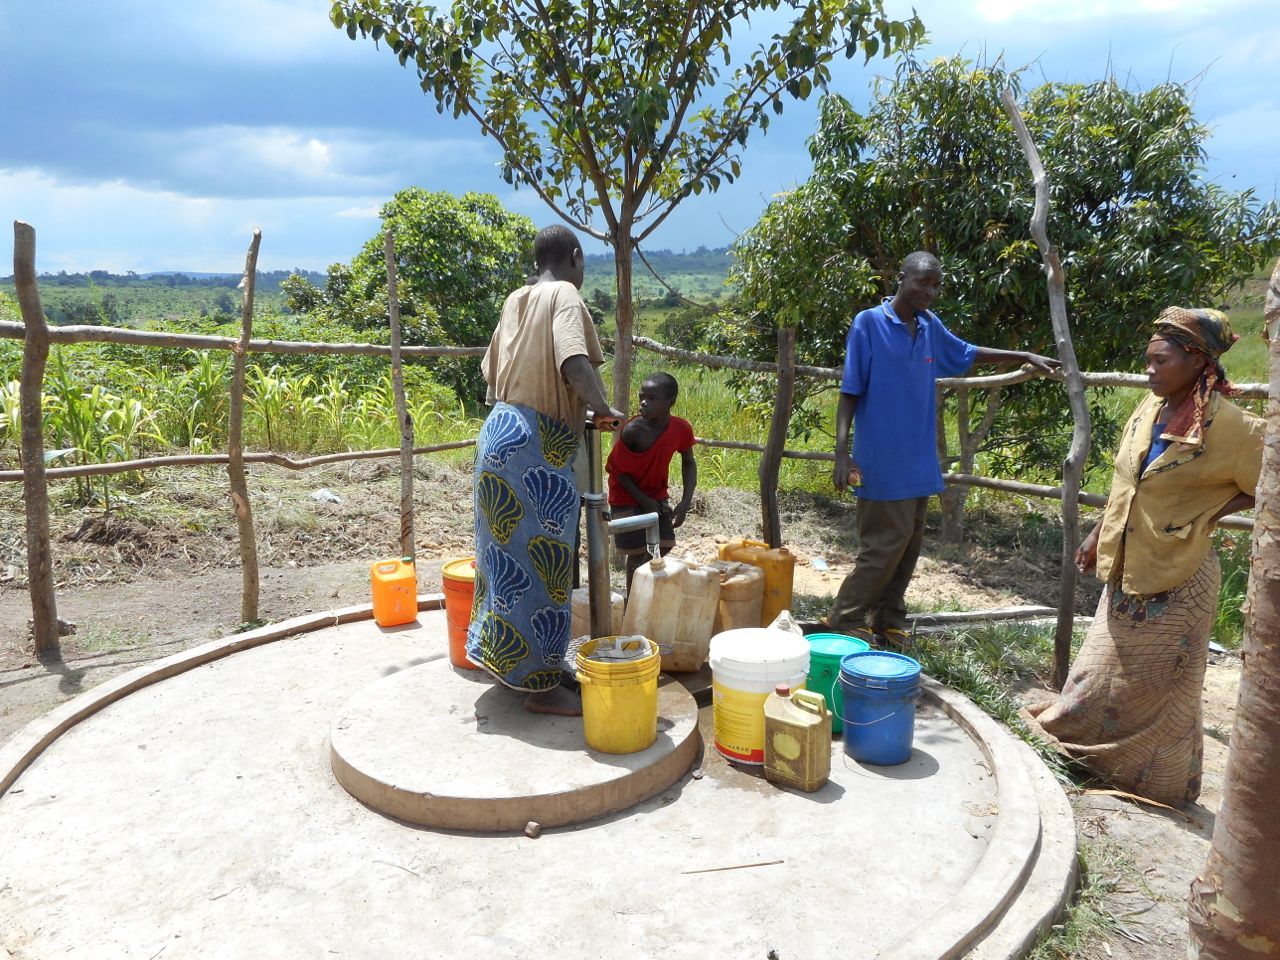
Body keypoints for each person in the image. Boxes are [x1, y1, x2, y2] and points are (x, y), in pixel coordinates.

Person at [1024, 307, 1262, 805]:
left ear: (1198, 361)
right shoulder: (1148, 410)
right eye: (1148, 361)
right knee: (1096, 678)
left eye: (1161, 361)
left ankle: (1156, 782)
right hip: (1130, 566)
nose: (1149, 371)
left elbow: (1268, 485)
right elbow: (1125, 484)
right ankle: (1091, 755)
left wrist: (1209, 509)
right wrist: (1096, 536)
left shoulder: (1231, 427)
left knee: (1162, 693)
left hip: (1180, 579)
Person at [827, 251, 1060, 646]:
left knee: (909, 547)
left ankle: (889, 619)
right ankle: (844, 618)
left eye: (936, 285)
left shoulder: (929, 326)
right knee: (883, 545)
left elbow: (968, 353)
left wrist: (1023, 356)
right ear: (901, 278)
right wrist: (841, 451)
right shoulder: (869, 323)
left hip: (919, 462)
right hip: (882, 458)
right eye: (923, 282)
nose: (930, 292)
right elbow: (850, 392)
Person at [466, 225, 625, 716]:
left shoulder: (516, 298)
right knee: (544, 567)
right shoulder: (564, 296)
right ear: (574, 257)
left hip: (497, 432)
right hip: (538, 441)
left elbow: (491, 375)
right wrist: (604, 410)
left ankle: (505, 664)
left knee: (501, 562)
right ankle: (542, 690)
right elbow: (574, 363)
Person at [606, 372, 698, 591]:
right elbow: (616, 470)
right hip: (626, 495)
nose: (643, 403)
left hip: (655, 495)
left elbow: (689, 462)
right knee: (638, 553)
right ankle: (632, 604)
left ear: (670, 402)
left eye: (652, 399)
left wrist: (685, 502)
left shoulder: (681, 429)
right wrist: (643, 501)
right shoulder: (633, 430)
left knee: (663, 546)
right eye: (641, 397)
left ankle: (645, 594)